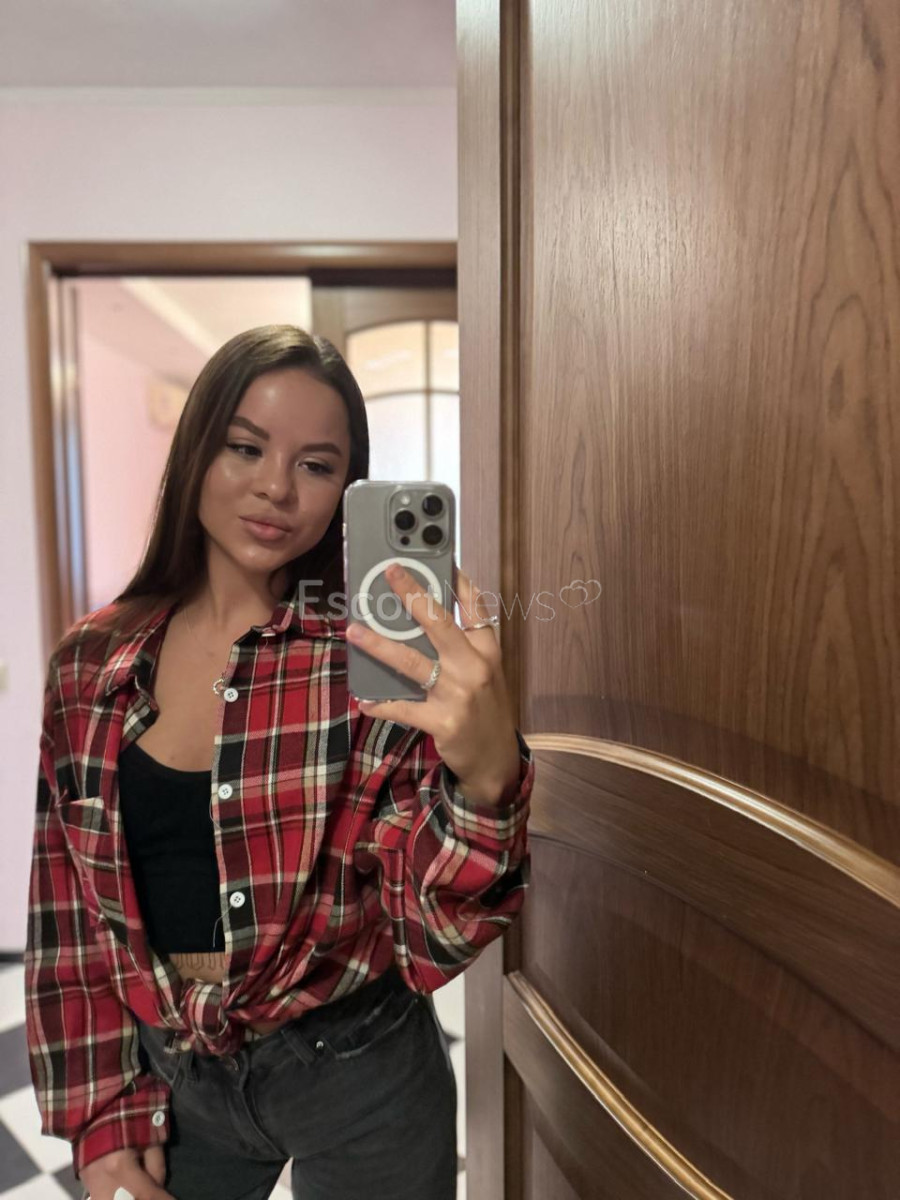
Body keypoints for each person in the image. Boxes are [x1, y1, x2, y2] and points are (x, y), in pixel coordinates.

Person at [25, 325, 534, 1200]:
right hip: (176, 1074)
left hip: (364, 1073)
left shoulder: (369, 664)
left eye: (317, 464)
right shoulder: (92, 663)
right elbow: (68, 904)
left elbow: (431, 941)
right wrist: (100, 1113)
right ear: (196, 448)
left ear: (348, 487)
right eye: (245, 447)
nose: (276, 488)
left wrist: (485, 781)